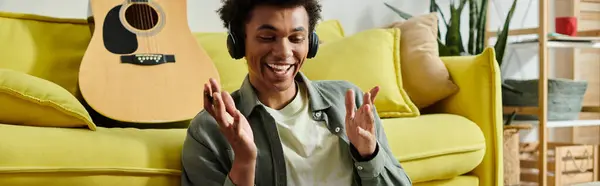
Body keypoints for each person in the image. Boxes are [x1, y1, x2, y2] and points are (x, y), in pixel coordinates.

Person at [180, 0, 412, 185]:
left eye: (296, 38)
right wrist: (244, 161)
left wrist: (368, 155)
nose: (284, 52)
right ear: (239, 42)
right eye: (267, 38)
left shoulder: (348, 101)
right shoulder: (209, 131)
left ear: (310, 43)